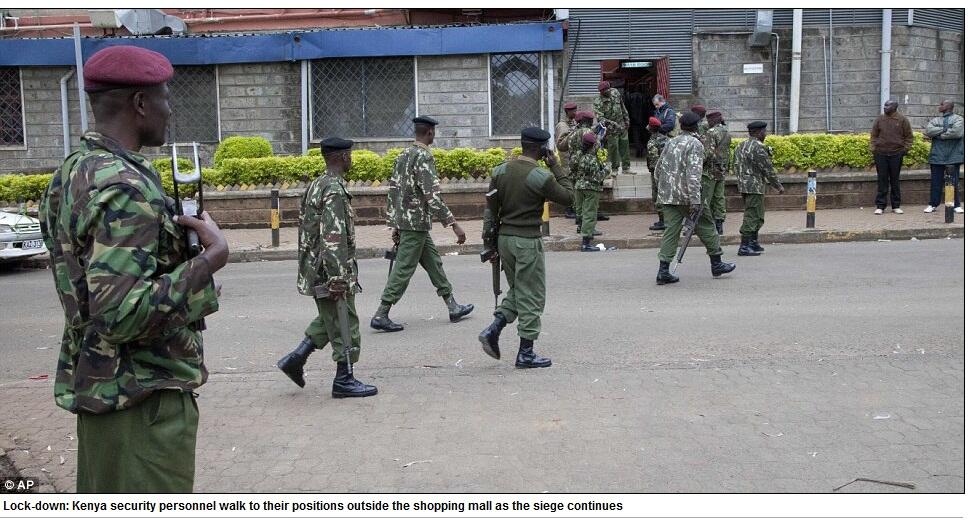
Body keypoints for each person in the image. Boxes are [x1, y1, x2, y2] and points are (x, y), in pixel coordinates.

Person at [38, 45, 228, 493]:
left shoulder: (75, 171)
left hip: (106, 396)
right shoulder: (126, 187)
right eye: (164, 96)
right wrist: (209, 260)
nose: (169, 107)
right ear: (140, 104)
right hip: (140, 403)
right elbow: (120, 313)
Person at [277, 137, 377, 399]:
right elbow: (332, 237)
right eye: (350, 155)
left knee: (329, 318)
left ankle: (296, 359)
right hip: (328, 270)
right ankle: (344, 379)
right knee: (346, 321)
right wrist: (337, 279)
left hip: (316, 267)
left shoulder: (317, 184)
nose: (351, 160)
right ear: (342, 157)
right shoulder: (333, 189)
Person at [478, 127, 574, 368]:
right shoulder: (541, 176)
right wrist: (556, 166)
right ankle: (526, 353)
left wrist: (488, 244)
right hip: (527, 241)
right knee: (532, 295)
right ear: (542, 149)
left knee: (519, 290)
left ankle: (494, 329)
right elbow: (570, 198)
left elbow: (490, 211)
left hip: (505, 240)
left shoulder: (500, 171)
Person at [371, 116, 474, 332]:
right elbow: (432, 196)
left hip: (411, 223)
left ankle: (452, 305)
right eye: (433, 132)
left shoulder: (403, 155)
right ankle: (381, 313)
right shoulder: (424, 157)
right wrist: (453, 223)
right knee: (403, 269)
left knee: (434, 263)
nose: (434, 135)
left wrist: (395, 223)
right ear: (429, 132)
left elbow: (394, 191)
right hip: (415, 223)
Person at [654, 112, 735, 284]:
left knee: (671, 231)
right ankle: (717, 263)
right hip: (687, 196)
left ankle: (663, 271)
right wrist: (695, 200)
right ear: (696, 126)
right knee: (706, 226)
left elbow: (658, 170)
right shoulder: (696, 144)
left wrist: (664, 189)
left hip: (668, 196)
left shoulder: (671, 142)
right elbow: (694, 174)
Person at [733, 121, 786, 256]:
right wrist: (778, 186)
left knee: (757, 214)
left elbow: (735, 165)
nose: (765, 134)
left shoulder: (741, 145)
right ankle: (744, 246)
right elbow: (767, 169)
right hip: (754, 185)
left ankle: (753, 243)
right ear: (758, 132)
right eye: (764, 132)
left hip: (743, 185)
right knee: (752, 215)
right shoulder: (758, 147)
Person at [870, 99, 913, 215]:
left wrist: (904, 150)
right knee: (882, 180)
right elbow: (874, 135)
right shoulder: (879, 119)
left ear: (895, 107)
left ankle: (896, 205)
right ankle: (880, 206)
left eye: (888, 105)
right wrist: (874, 148)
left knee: (895, 180)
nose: (885, 107)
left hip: (896, 153)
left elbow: (909, 137)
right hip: (881, 153)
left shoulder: (902, 120)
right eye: (885, 105)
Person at [923, 99, 965, 214]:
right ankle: (933, 204)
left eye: (942, 104)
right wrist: (946, 129)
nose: (939, 106)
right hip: (937, 156)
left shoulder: (959, 119)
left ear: (949, 106)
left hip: (953, 155)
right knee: (935, 182)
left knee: (953, 182)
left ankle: (955, 204)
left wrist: (939, 135)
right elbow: (929, 131)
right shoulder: (936, 119)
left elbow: (957, 133)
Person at [573, 132, 610, 251]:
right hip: (591, 188)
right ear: (592, 145)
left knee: (581, 212)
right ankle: (586, 243)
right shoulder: (592, 159)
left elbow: (571, 169)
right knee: (589, 214)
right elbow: (597, 177)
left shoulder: (577, 155)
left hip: (579, 186)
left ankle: (582, 231)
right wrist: (607, 169)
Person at [568, 111, 600, 234]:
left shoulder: (573, 134)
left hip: (575, 168)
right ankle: (589, 229)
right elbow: (595, 148)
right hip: (587, 169)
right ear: (588, 121)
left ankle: (580, 226)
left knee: (579, 203)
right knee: (589, 204)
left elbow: (570, 151)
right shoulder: (589, 133)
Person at [594, 80, 634, 175]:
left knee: (625, 146)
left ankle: (626, 167)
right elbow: (601, 118)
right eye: (603, 91)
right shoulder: (598, 101)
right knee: (614, 148)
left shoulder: (615, 92)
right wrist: (613, 124)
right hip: (611, 129)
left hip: (622, 125)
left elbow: (622, 106)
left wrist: (627, 119)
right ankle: (615, 168)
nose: (606, 92)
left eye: (607, 89)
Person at [703, 111, 731, 234]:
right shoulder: (726, 131)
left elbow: (708, 153)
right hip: (722, 169)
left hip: (711, 170)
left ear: (713, 120)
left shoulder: (711, 132)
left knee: (707, 198)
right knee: (719, 197)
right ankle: (719, 224)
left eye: (709, 120)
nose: (707, 123)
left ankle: (707, 225)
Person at [645, 116, 670, 231]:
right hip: (669, 171)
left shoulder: (652, 142)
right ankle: (668, 219)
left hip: (658, 173)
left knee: (657, 196)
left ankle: (663, 221)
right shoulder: (667, 139)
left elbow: (654, 161)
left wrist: (655, 173)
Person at [556, 102, 579, 220]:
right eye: (573, 111)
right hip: (567, 159)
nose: (575, 112)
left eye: (576, 110)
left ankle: (574, 207)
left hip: (573, 159)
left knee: (574, 184)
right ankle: (568, 209)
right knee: (568, 184)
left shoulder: (574, 122)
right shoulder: (562, 125)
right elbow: (560, 144)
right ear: (567, 112)